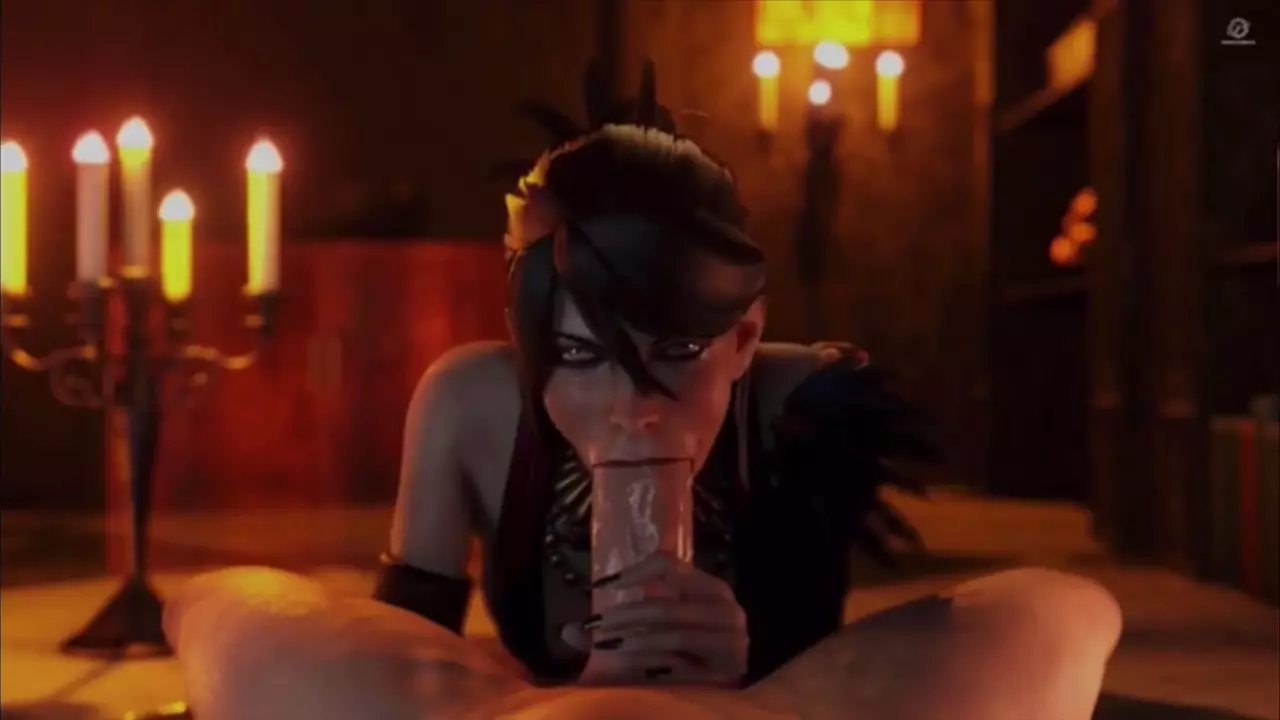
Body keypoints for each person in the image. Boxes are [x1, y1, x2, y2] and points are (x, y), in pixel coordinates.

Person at [162, 62, 1122, 719]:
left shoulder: (802, 403)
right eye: (579, 358)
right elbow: (399, 655)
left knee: (1052, 610)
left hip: (765, 707)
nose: (634, 404)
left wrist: (736, 660)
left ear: (744, 337)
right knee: (244, 610)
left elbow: (818, 658)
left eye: (678, 350)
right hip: (522, 705)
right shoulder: (471, 402)